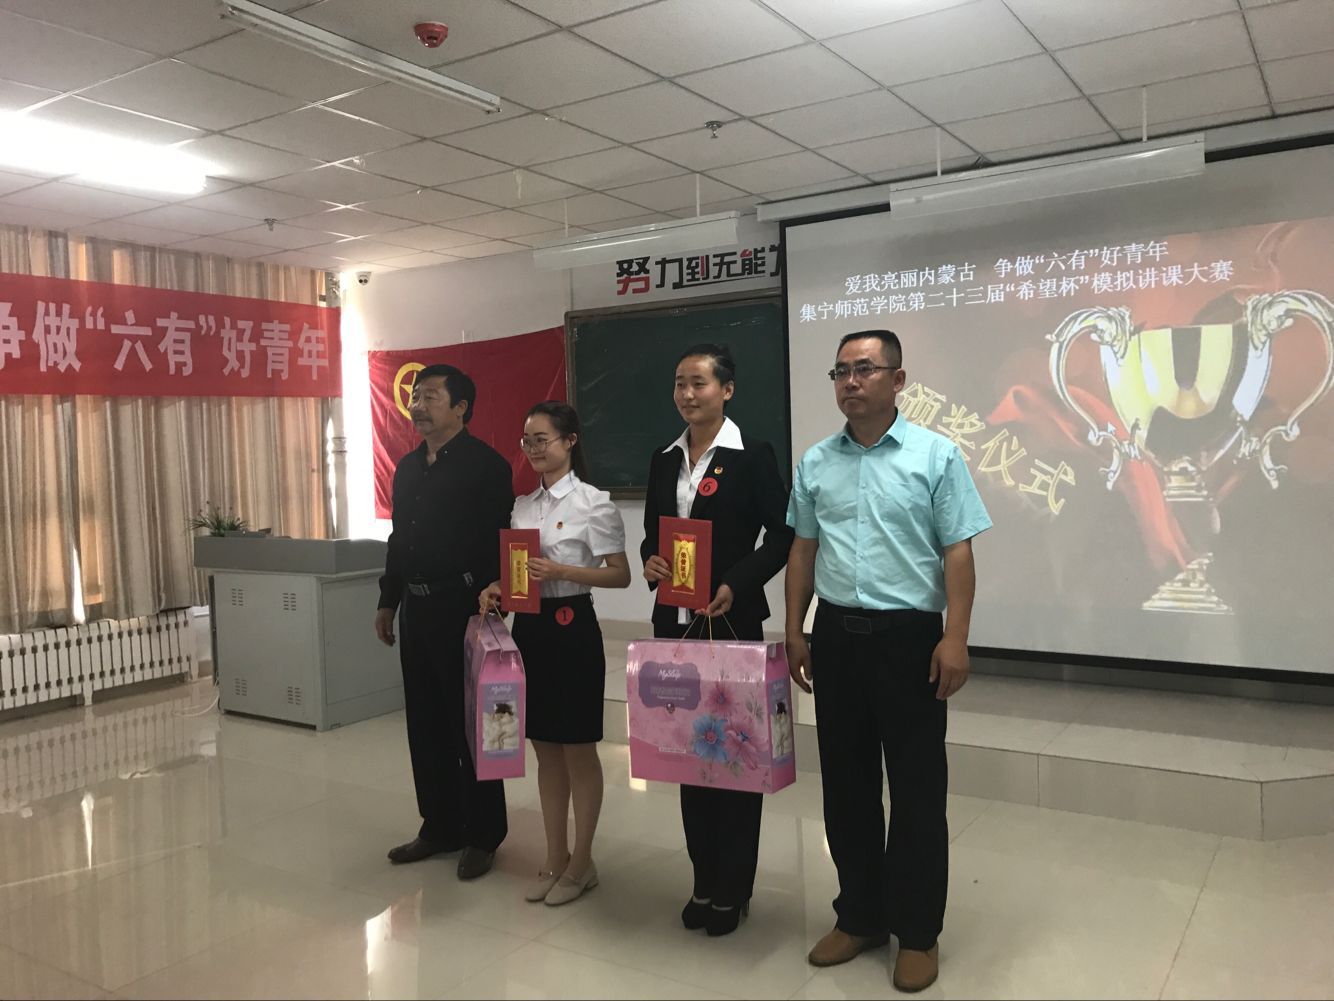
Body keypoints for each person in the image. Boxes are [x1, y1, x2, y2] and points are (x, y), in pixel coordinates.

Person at [784, 330, 992, 992]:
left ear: (897, 380)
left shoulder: (936, 455)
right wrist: (794, 629)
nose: (850, 381)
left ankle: (919, 931)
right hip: (836, 638)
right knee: (845, 787)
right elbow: (802, 550)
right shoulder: (816, 461)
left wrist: (955, 636)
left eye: (865, 369)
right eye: (840, 371)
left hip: (910, 640)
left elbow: (958, 550)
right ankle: (861, 916)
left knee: (916, 790)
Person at [640, 343, 794, 937]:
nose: (686, 393)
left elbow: (782, 535)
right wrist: (650, 560)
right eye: (679, 383)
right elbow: (652, 533)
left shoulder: (752, 455)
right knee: (688, 754)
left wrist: (736, 582)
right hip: (674, 624)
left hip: (729, 620)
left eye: (699, 383)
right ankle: (703, 879)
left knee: (732, 758)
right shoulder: (663, 459)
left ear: (726, 390)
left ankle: (734, 887)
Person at [480, 401, 630, 906]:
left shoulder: (593, 502)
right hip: (531, 630)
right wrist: (499, 586)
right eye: (527, 441)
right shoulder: (522, 505)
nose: (533, 449)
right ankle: (555, 856)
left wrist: (563, 571)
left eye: (542, 439)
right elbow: (520, 572)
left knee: (578, 749)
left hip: (573, 628)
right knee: (544, 747)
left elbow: (620, 574)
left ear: (570, 441)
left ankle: (582, 862)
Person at [375, 363, 515, 880]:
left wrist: (497, 600)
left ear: (461, 407)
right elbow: (398, 539)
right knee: (426, 721)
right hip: (417, 610)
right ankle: (439, 825)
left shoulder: (486, 466)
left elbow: (501, 538)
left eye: (431, 397)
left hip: (465, 608)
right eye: (416, 397)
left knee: (473, 724)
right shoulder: (408, 467)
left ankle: (483, 834)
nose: (418, 406)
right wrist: (388, 600)